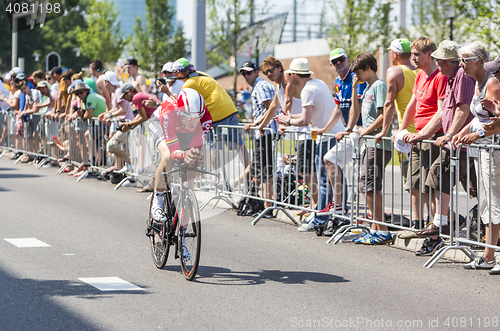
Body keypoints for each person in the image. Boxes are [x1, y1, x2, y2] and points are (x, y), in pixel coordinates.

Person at [402, 41, 477, 255]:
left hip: (461, 143)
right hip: (456, 142)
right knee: (438, 177)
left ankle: (442, 225)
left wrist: (449, 134)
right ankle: (439, 227)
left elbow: (463, 110)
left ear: (444, 62)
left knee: (471, 187)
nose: (437, 65)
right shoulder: (451, 78)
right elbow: (447, 110)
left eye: (438, 61)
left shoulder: (460, 76)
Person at [274, 58, 344, 231]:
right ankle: (337, 216)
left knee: (323, 181)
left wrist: (288, 121)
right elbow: (308, 115)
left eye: (290, 74)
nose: (288, 77)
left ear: (296, 76)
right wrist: (287, 119)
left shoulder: (307, 90)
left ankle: (321, 218)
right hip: (331, 134)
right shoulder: (316, 83)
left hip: (327, 137)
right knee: (336, 179)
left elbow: (305, 120)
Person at [452, 42, 500, 274]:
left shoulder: (492, 83)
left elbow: (498, 123)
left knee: (495, 204)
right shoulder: (477, 83)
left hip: (494, 151)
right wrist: (461, 133)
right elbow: (478, 118)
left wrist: (477, 134)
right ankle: (488, 255)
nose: (460, 65)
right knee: (486, 204)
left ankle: (494, 254)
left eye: (464, 60)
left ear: (478, 60)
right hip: (482, 151)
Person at [338, 53, 392, 244]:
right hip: (368, 143)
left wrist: (365, 131)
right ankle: (376, 228)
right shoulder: (368, 87)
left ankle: (381, 229)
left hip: (375, 143)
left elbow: (385, 114)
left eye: (358, 72)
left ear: (368, 68)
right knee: (371, 187)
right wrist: (353, 89)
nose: (356, 76)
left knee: (366, 186)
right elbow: (357, 110)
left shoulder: (379, 86)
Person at [257, 55, 318, 210]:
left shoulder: (287, 78)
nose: (269, 74)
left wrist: (283, 122)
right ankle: (314, 207)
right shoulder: (279, 86)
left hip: (307, 129)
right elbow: (273, 107)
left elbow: (287, 100)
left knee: (307, 173)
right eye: (265, 72)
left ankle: (316, 208)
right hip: (301, 130)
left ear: (279, 68)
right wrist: (261, 125)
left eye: (271, 70)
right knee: (306, 172)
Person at [400, 37, 448, 229]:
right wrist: (403, 130)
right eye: (412, 54)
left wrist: (425, 134)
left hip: (433, 138)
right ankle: (417, 225)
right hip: (418, 136)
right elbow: (412, 106)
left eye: (417, 54)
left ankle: (435, 228)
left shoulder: (440, 76)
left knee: (432, 186)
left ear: (430, 55)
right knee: (414, 183)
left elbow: (441, 112)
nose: (413, 58)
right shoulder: (419, 75)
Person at [150, 88, 212, 222]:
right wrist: (184, 153)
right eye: (188, 117)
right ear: (179, 111)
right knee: (168, 158)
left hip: (181, 131)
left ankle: (182, 235)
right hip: (160, 124)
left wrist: (196, 155)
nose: (193, 121)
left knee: (190, 180)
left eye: (197, 118)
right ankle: (158, 200)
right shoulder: (169, 111)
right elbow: (172, 151)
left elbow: (195, 146)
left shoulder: (206, 117)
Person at [322, 48, 367, 215]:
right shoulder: (338, 82)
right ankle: (340, 206)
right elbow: (339, 107)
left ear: (348, 60)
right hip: (353, 130)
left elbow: (358, 108)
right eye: (335, 61)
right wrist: (325, 129)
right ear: (331, 65)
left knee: (361, 175)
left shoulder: (357, 79)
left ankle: (340, 205)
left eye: (341, 59)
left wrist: (348, 129)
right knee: (358, 175)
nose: (338, 63)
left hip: (361, 130)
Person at [239, 61, 277, 218]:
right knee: (259, 170)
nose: (246, 76)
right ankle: (263, 204)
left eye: (248, 73)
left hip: (265, 132)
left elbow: (270, 108)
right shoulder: (259, 86)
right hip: (263, 132)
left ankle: (268, 207)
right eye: (243, 73)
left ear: (256, 72)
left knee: (264, 171)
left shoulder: (261, 86)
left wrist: (256, 123)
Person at [98, 71, 134, 173]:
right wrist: (106, 113)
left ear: (107, 82)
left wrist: (109, 115)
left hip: (127, 124)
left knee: (112, 146)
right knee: (126, 150)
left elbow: (123, 110)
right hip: (124, 125)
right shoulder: (115, 92)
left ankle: (133, 164)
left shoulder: (118, 92)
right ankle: (130, 174)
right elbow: (116, 109)